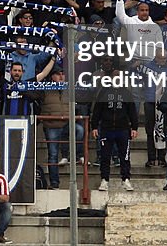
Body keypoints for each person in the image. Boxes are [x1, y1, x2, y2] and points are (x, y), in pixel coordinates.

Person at [90, 59, 139, 192]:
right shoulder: (104, 92)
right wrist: (94, 126)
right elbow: (97, 111)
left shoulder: (126, 93)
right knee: (105, 157)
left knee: (125, 156)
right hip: (106, 129)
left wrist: (134, 127)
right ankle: (104, 180)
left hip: (123, 130)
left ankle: (126, 179)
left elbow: (132, 112)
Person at [40, 69, 85, 189]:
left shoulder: (69, 89)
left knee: (79, 130)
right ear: (52, 77)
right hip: (52, 125)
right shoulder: (45, 89)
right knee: (53, 155)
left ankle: (73, 156)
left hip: (67, 123)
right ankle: (55, 183)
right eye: (58, 74)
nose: (61, 76)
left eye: (63, 74)